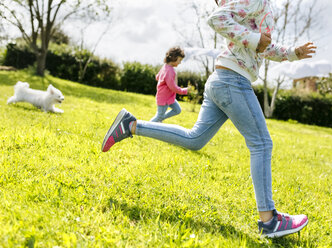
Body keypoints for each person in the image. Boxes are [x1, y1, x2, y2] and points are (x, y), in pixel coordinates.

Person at [101, 0, 316, 238]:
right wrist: (255, 40)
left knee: (195, 139)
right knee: (261, 143)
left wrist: (292, 53)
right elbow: (217, 19)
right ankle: (269, 221)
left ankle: (130, 125)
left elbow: (262, 47)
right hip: (233, 80)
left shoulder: (262, 7)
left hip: (222, 79)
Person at [150, 46, 188, 123]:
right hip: (164, 99)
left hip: (169, 98)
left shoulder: (165, 67)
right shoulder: (170, 71)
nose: (180, 62)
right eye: (179, 60)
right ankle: (145, 126)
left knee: (177, 110)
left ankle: (161, 119)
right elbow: (173, 87)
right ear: (174, 57)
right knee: (159, 116)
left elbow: (157, 77)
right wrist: (184, 90)